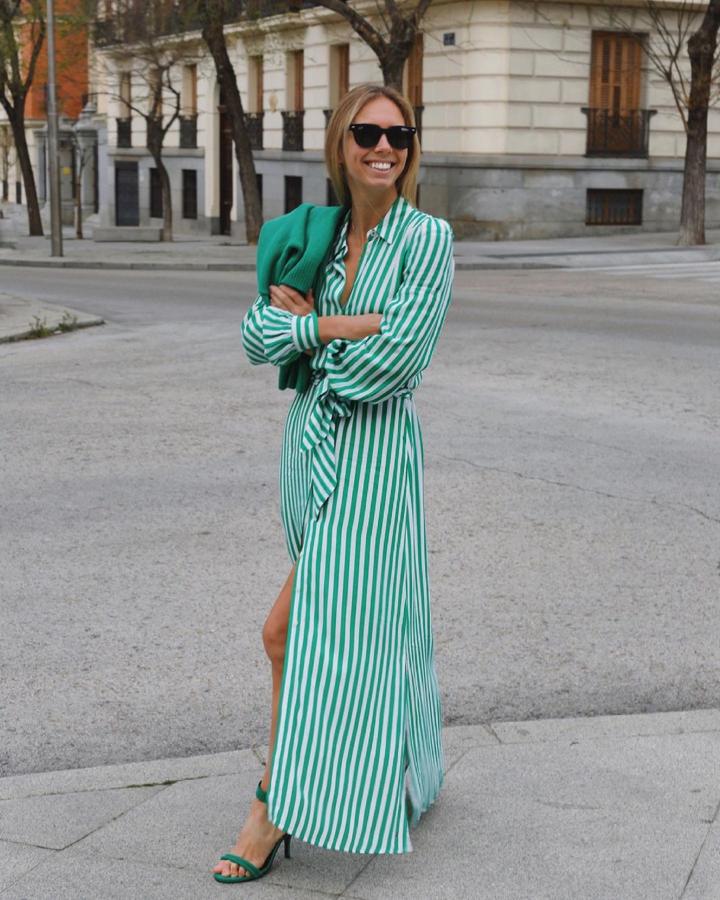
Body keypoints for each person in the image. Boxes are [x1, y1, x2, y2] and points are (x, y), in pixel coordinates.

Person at [213, 82, 455, 884]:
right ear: (341, 145)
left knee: (290, 632)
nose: (384, 147)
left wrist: (310, 334)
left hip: (374, 456)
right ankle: (411, 770)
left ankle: (273, 803)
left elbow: (398, 360)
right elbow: (257, 335)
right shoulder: (313, 234)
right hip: (309, 450)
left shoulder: (426, 239)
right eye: (368, 134)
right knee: (368, 619)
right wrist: (336, 324)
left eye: (399, 135)